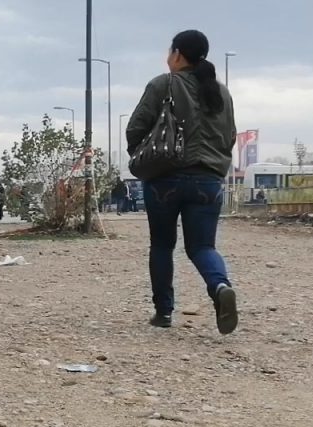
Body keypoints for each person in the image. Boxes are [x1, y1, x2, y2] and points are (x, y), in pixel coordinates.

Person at [126, 29, 238, 334]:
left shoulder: (163, 84)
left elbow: (135, 128)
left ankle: (163, 312)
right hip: (208, 181)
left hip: (165, 178)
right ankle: (220, 286)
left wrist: (141, 153)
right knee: (202, 246)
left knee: (162, 244)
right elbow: (230, 137)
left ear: (177, 54)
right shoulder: (221, 92)